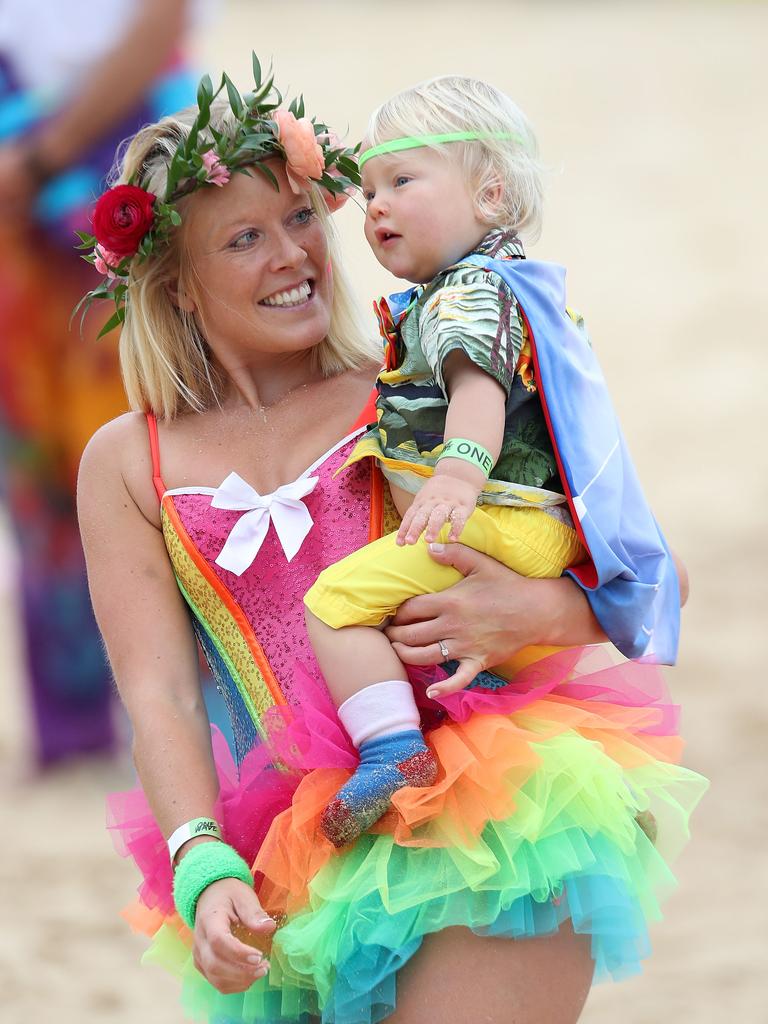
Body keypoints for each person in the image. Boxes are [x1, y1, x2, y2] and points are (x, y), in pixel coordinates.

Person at [78, 64, 706, 1024]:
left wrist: (538, 611)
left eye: (301, 223)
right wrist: (199, 859)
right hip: (301, 854)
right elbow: (156, 689)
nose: (294, 257)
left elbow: (654, 569)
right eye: (245, 238)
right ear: (177, 285)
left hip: (488, 812)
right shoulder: (130, 461)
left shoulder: (418, 387)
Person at [303, 76, 680, 850]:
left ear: (491, 196)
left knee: (334, 605)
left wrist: (457, 473)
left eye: (402, 181)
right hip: (538, 532)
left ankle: (390, 752)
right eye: (367, 188)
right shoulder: (514, 283)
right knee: (493, 684)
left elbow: (476, 387)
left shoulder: (465, 293)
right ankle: (596, 782)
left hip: (492, 519)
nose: (374, 205)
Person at [0, 0, 199, 764]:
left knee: (169, 427)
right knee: (31, 447)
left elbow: (163, 18)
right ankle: (76, 719)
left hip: (128, 137)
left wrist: (44, 156)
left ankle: (211, 705)